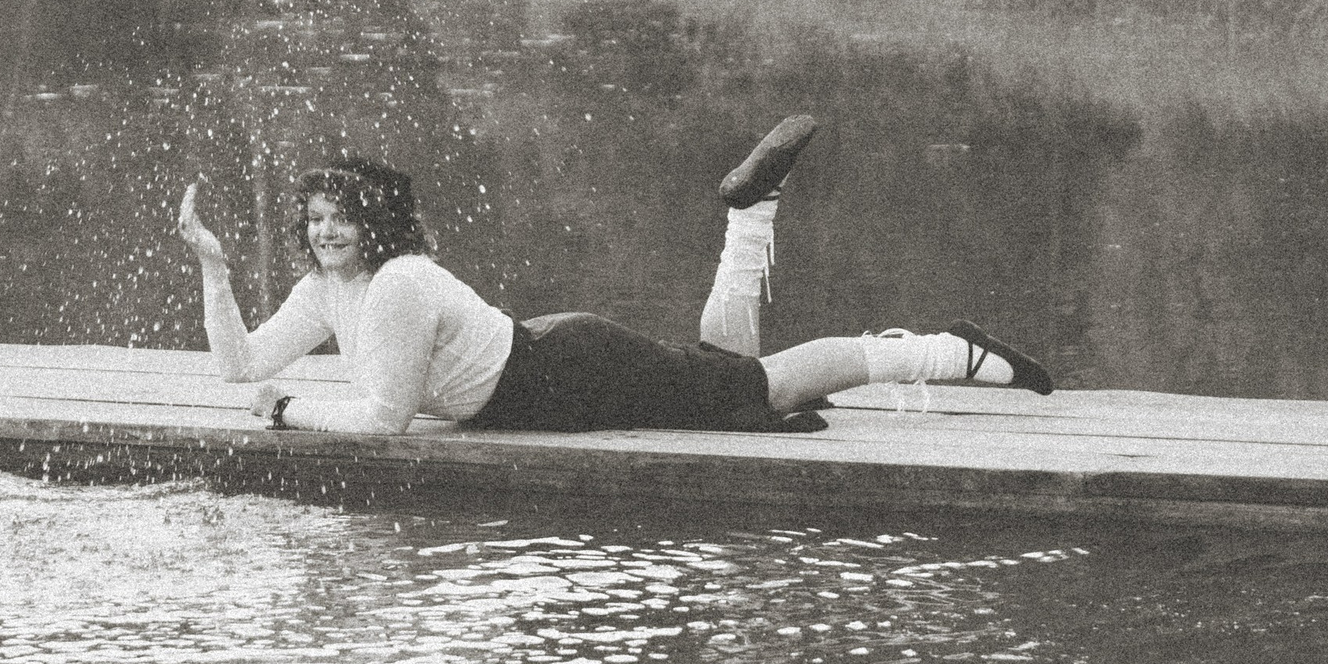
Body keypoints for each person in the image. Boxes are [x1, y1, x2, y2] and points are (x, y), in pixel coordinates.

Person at [174, 116, 1052, 438]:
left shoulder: (400, 281)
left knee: (760, 384)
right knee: (727, 379)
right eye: (317, 221)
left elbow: (385, 418)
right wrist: (216, 273)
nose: (327, 234)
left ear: (377, 224)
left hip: (563, 374)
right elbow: (241, 366)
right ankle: (751, 217)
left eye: (343, 219)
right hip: (548, 369)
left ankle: (948, 353)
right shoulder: (326, 290)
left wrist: (292, 413)